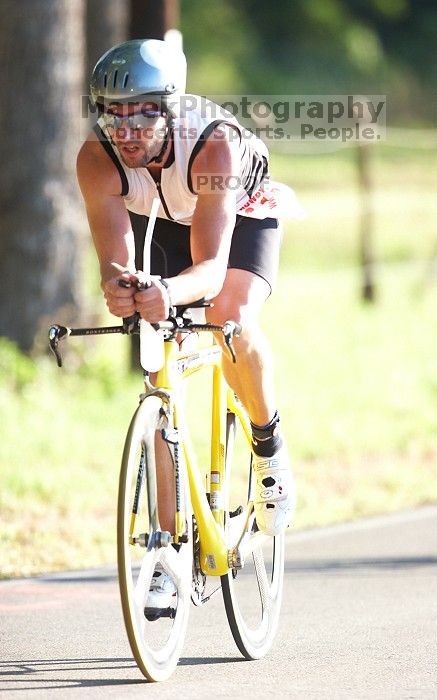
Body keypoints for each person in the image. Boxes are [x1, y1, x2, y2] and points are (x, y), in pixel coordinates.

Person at [77, 38, 296, 617]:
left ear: (169, 107)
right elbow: (114, 258)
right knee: (158, 368)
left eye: (143, 110)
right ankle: (168, 547)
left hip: (237, 216)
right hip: (164, 219)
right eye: (113, 112)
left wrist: (169, 292)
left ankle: (269, 446)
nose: (126, 128)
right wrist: (121, 287)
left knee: (228, 315)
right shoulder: (96, 158)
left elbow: (213, 267)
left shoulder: (213, 145)